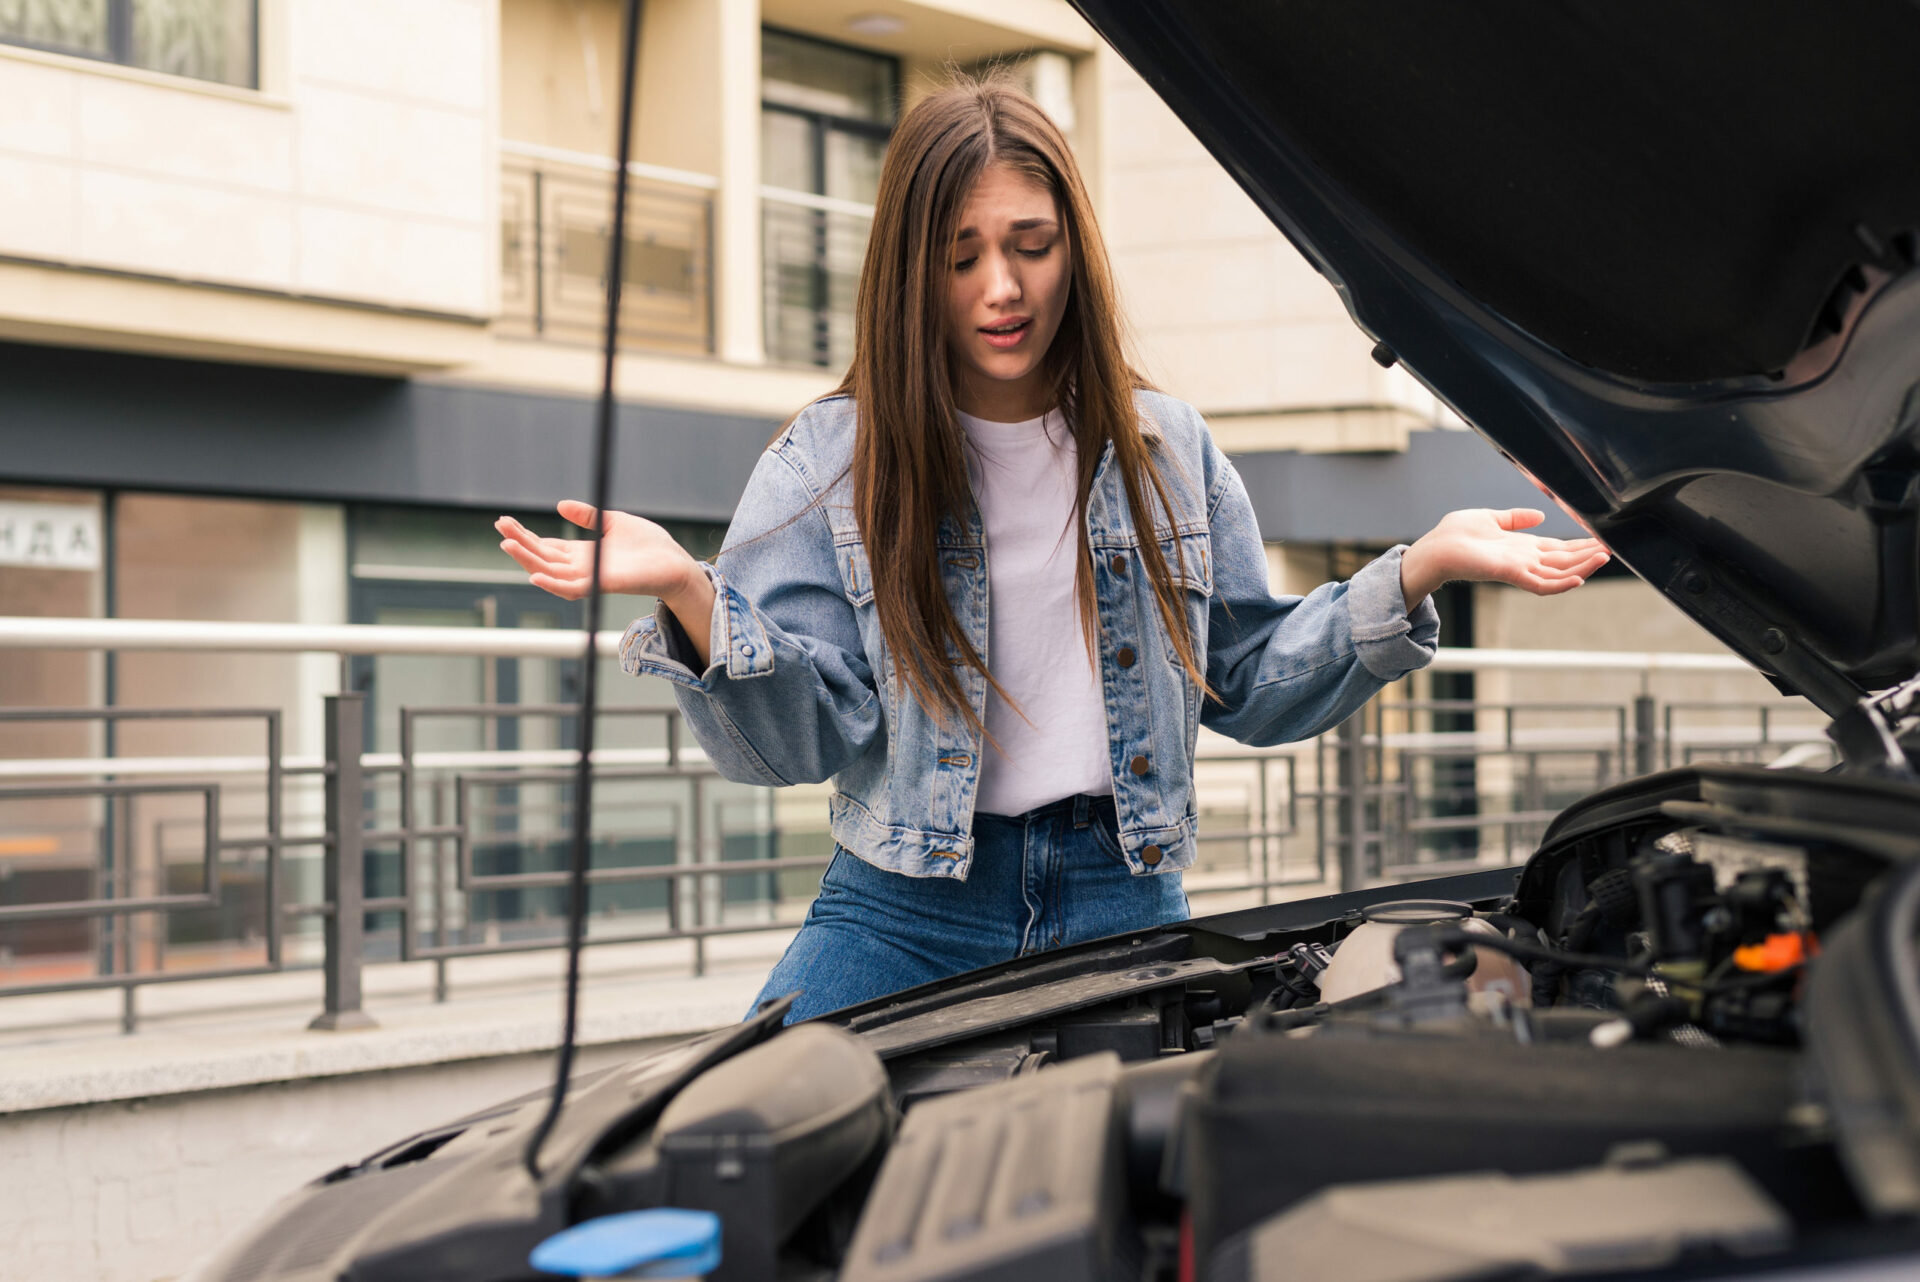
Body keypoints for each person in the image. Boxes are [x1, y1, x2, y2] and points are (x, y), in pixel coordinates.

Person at [495, 77, 1608, 1023]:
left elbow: (1248, 680)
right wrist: (692, 592)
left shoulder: (1166, 444)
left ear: (1073, 246)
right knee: (744, 1153)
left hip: (1125, 898)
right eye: (962, 254)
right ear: (909, 269)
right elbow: (796, 740)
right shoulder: (828, 461)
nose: (1002, 287)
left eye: (1032, 245)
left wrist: (1419, 565)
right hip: (904, 911)